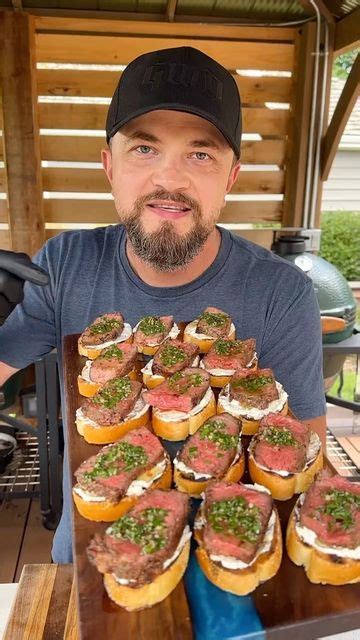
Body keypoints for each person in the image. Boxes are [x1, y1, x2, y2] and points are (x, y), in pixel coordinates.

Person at [0, 46, 326, 563]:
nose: (169, 180)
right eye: (144, 149)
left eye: (200, 154)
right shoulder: (62, 263)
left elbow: (300, 463)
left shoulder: (280, 292)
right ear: (110, 166)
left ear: (231, 178)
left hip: (230, 560)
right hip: (86, 553)